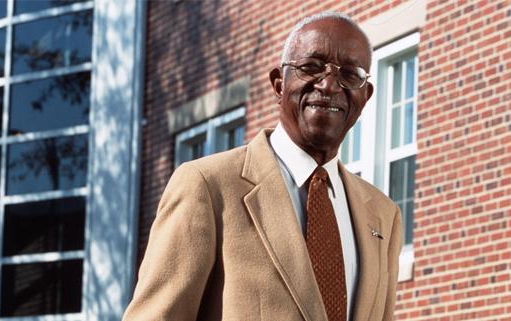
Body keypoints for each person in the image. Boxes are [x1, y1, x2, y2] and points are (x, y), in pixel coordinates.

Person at [123, 12, 403, 321]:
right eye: (311, 67)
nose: (328, 84)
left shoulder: (383, 216)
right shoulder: (207, 185)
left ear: (365, 97)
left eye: (350, 74)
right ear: (278, 84)